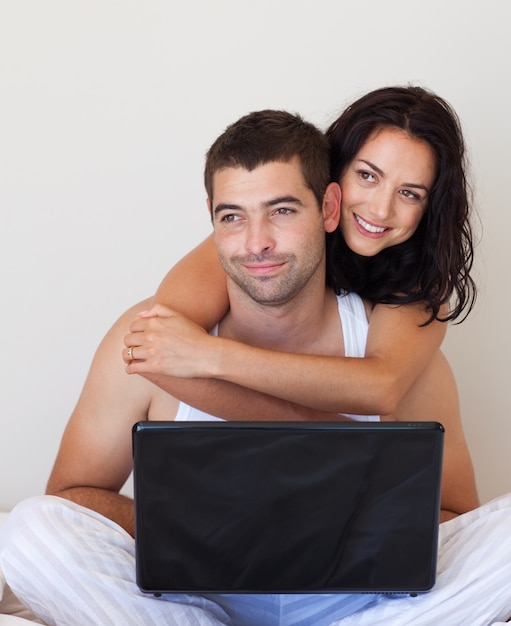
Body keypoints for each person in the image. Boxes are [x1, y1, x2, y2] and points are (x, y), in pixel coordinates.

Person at [1, 109, 509, 626]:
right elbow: (69, 504)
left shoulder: (407, 348)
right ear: (214, 220)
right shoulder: (158, 336)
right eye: (233, 217)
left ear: (326, 208)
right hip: (200, 595)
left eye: (283, 210)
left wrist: (352, 527)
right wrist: (202, 532)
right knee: (29, 532)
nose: (257, 241)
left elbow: (458, 529)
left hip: (352, 602)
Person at [121, 86, 477, 420]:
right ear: (332, 180)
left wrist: (212, 356)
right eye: (368, 176)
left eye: (410, 193)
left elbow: (380, 388)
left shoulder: (420, 274)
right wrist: (338, 437)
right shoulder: (261, 239)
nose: (381, 210)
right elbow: (157, 348)